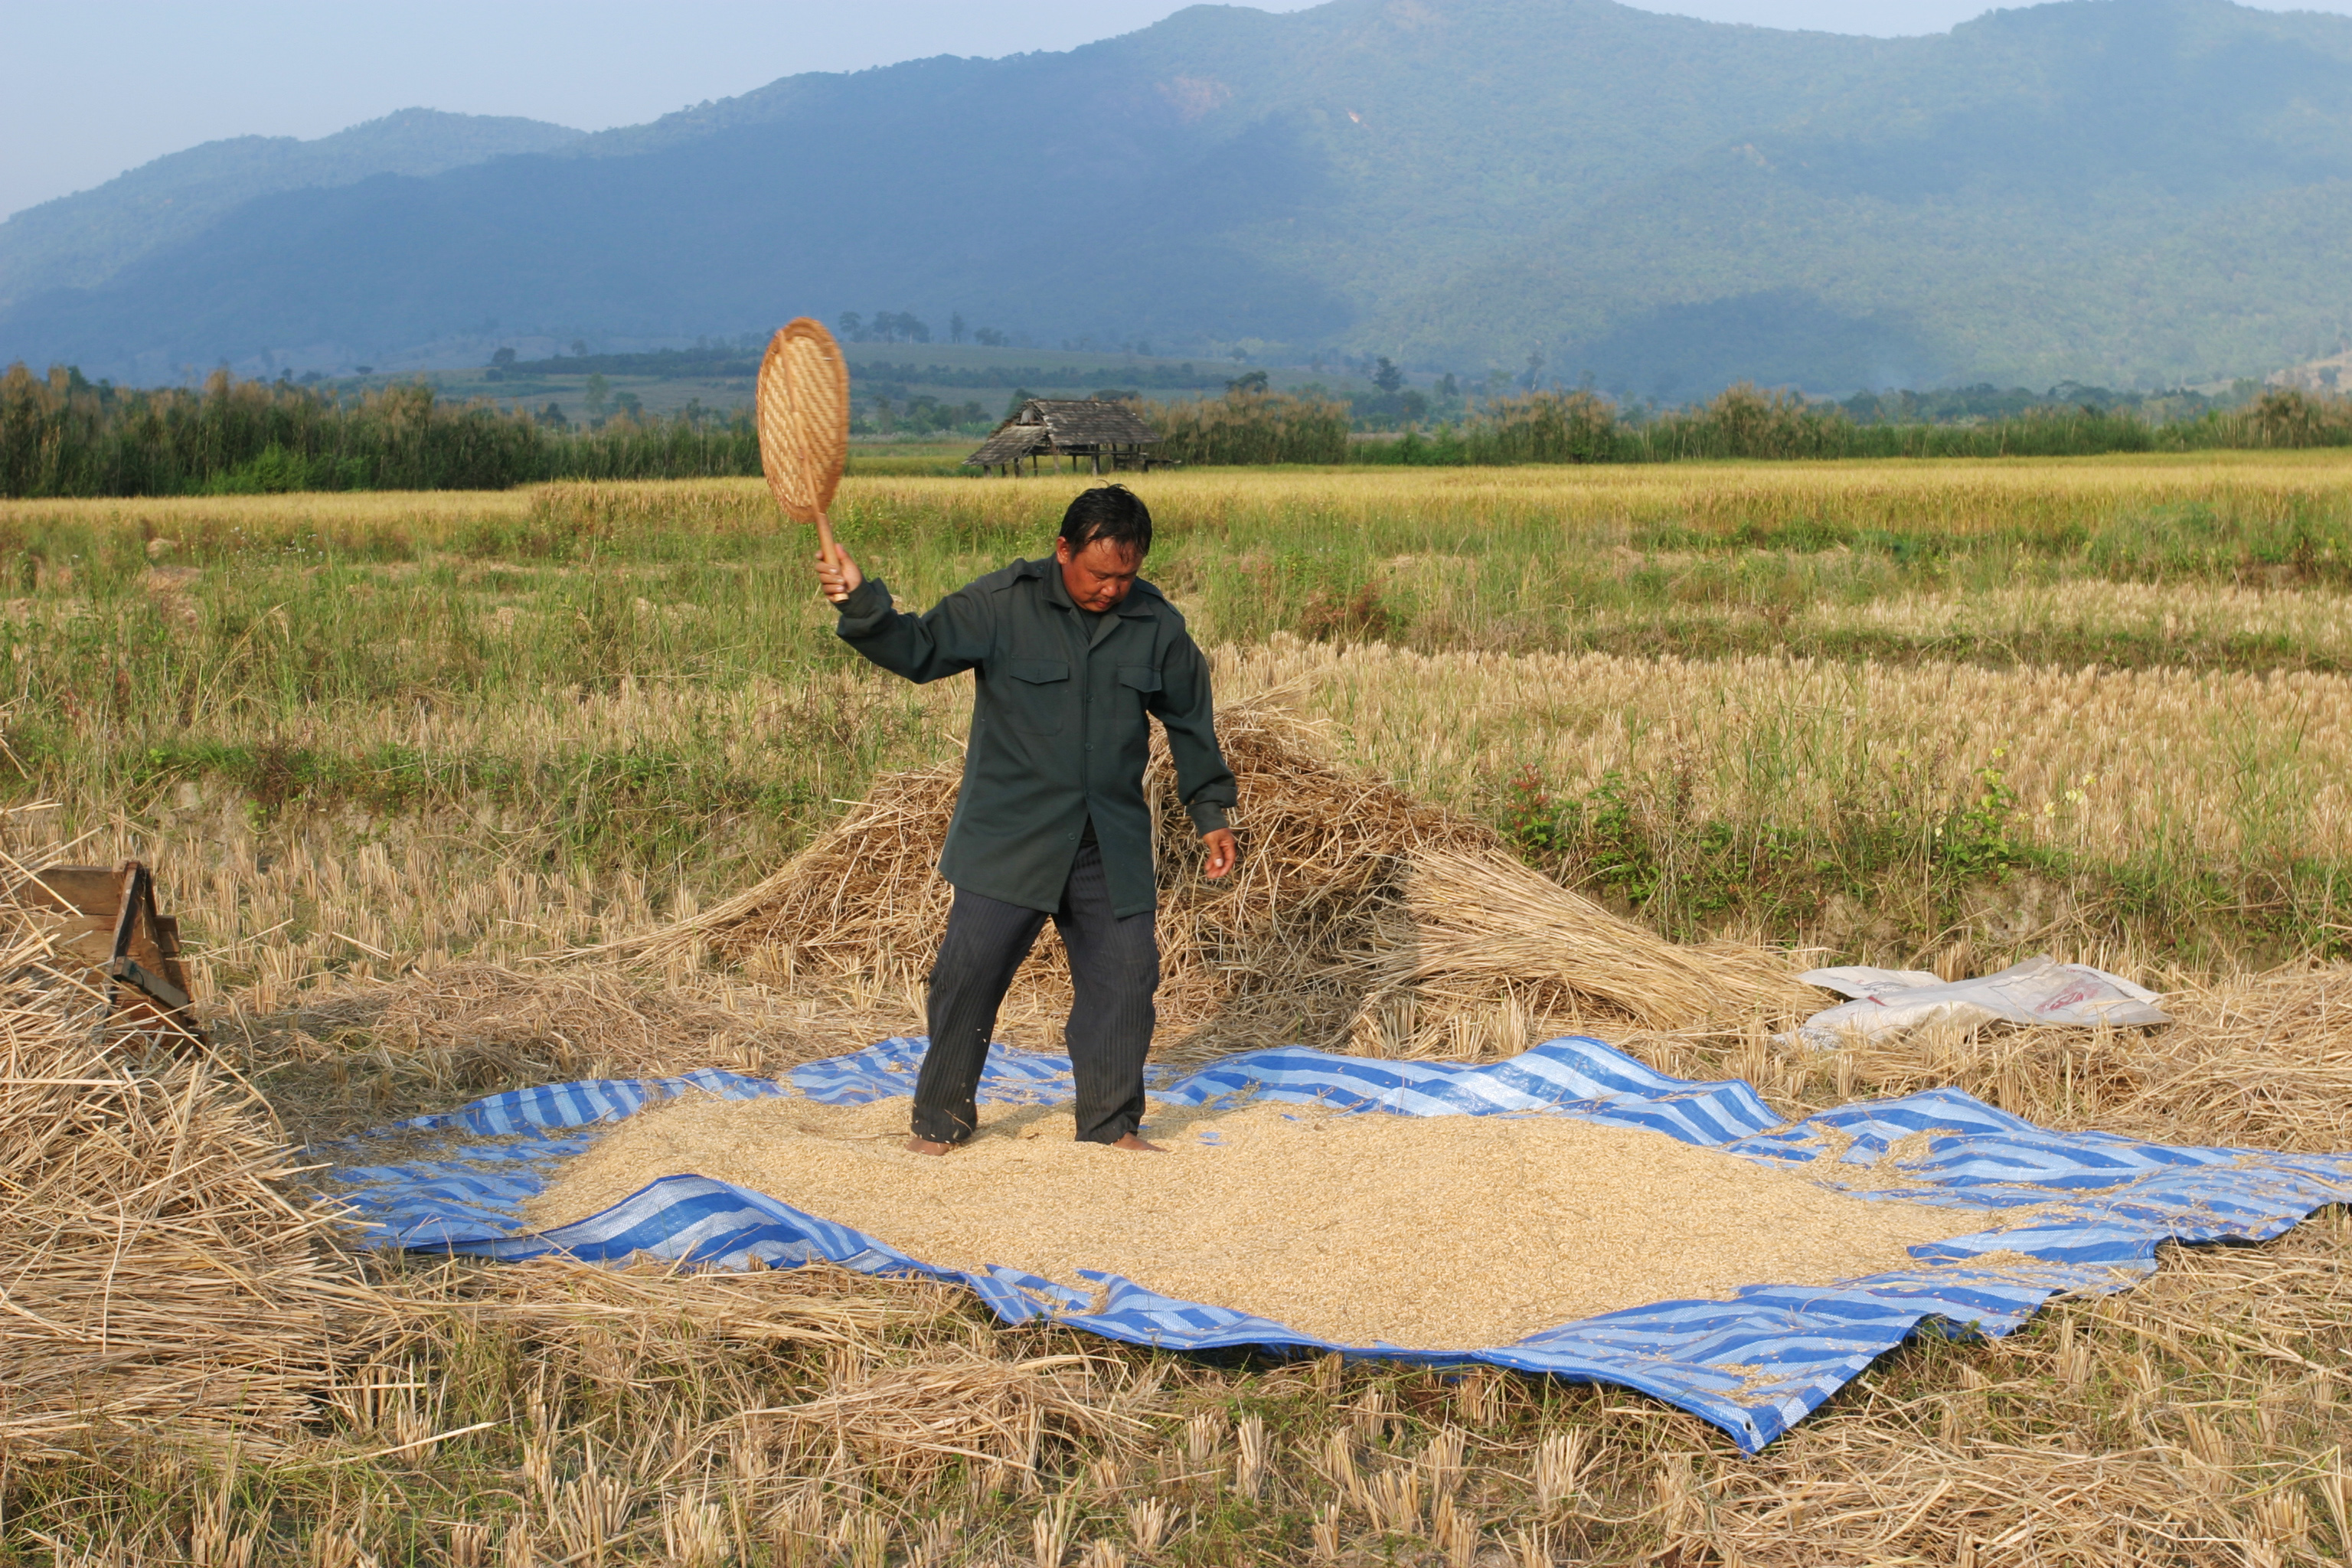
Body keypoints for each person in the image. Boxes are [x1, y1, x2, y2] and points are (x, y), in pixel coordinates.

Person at [815, 485, 1239, 1155]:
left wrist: (1210, 810)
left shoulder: (1156, 624)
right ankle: (941, 1122)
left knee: (1127, 980)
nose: (1112, 590)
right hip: (1011, 836)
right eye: (1100, 575)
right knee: (968, 975)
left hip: (1110, 840)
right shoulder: (1002, 605)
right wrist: (861, 602)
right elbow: (918, 650)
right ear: (1063, 549)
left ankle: (1110, 1125)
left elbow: (1190, 721)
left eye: (1127, 576)